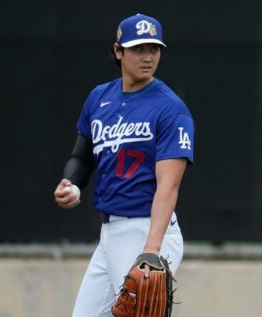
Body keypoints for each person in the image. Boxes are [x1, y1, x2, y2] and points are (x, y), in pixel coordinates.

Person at [54, 13, 195, 317]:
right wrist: (72, 183)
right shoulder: (99, 98)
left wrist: (151, 250)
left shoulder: (170, 108)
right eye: (138, 49)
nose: (147, 57)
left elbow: (169, 186)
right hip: (110, 233)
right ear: (118, 51)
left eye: (154, 49)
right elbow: (82, 157)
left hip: (146, 229)